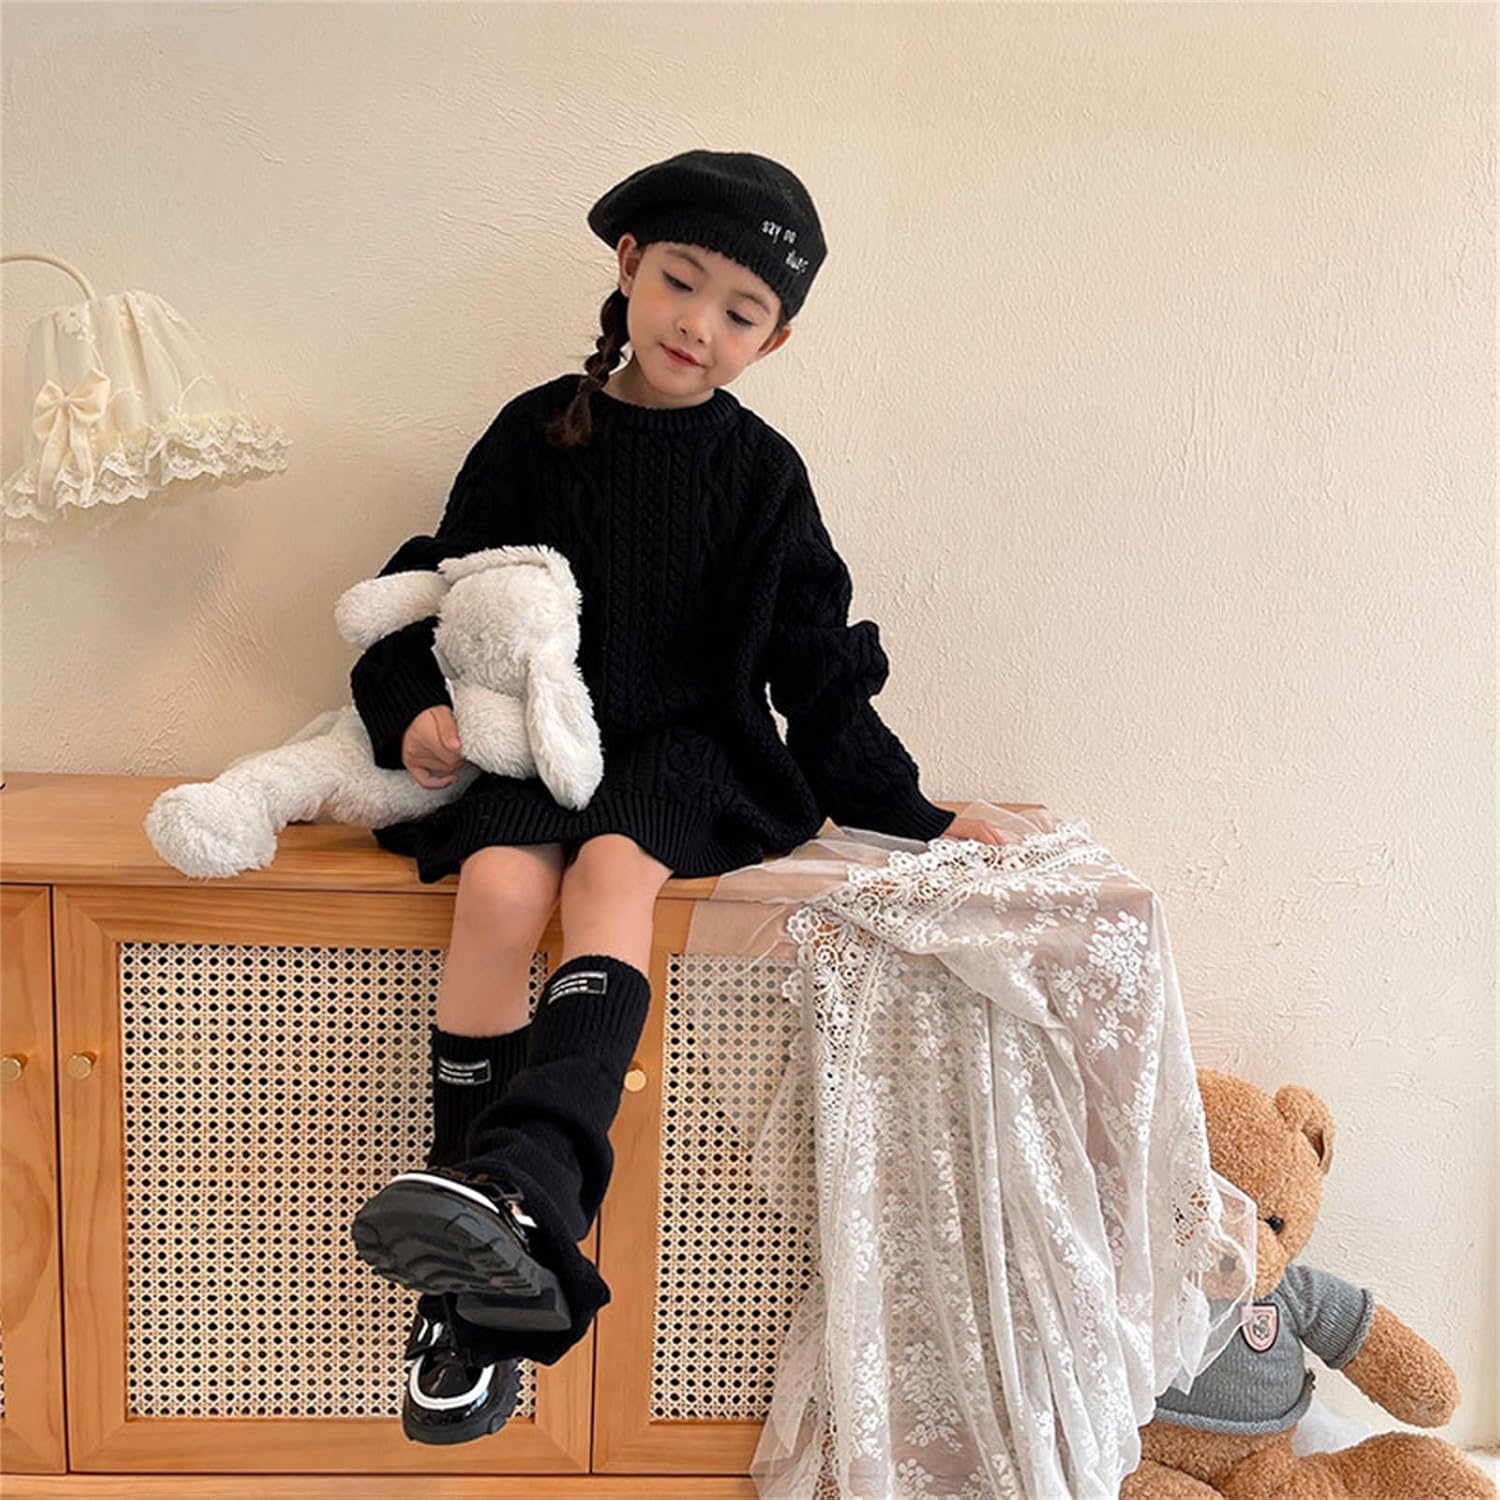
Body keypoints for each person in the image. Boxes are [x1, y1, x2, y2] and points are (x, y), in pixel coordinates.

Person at [345, 148, 1006, 1446]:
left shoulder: (761, 474)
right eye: (682, 282)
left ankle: (524, 1200)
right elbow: (441, 587)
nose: (700, 322)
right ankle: (477, 1289)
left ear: (776, 339)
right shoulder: (535, 431)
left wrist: (915, 811)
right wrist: (408, 706)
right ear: (631, 265)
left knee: (608, 879)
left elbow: (814, 662)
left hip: (687, 753)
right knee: (498, 891)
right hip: (542, 739)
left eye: (741, 310)